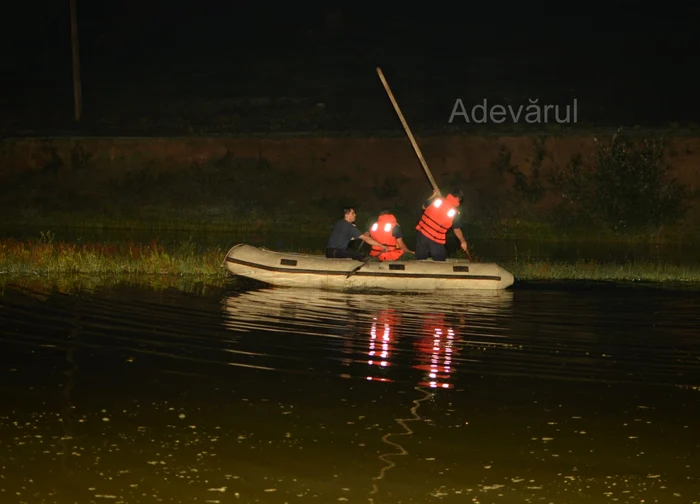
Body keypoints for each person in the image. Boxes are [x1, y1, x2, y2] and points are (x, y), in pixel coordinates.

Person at [415, 188, 470, 262]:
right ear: (458, 199)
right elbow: (456, 229)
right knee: (440, 263)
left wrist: (433, 195)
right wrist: (463, 241)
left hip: (422, 235)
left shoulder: (437, 200)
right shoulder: (454, 212)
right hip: (436, 239)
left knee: (420, 260)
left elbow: (423, 207)